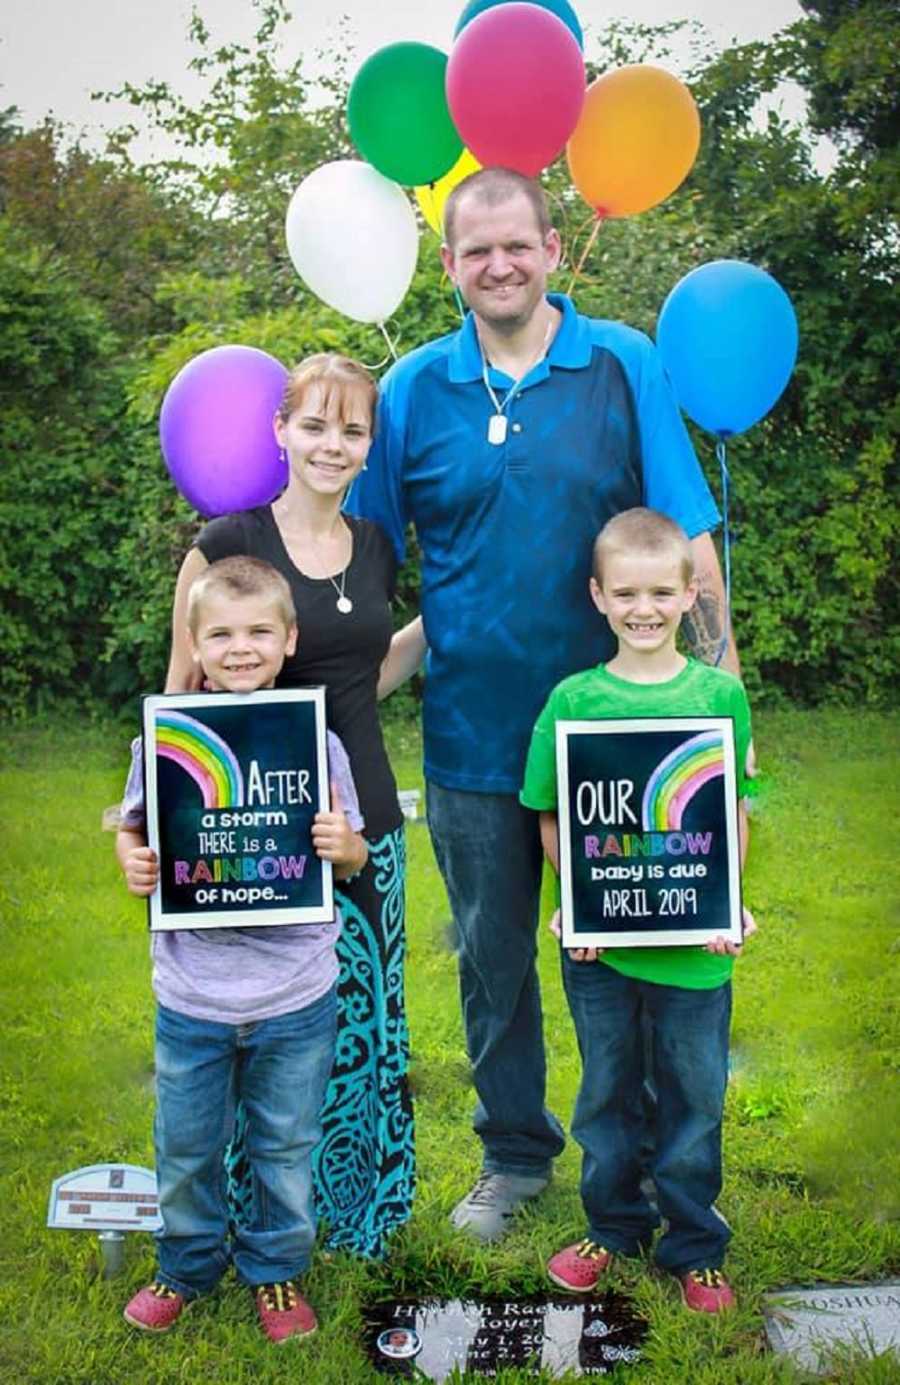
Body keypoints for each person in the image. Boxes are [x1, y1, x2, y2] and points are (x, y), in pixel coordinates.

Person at [348, 166, 742, 1241]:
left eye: (516, 244)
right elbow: (364, 562)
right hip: (474, 736)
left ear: (553, 247)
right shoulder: (413, 392)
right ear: (449, 267)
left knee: (630, 962)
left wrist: (724, 709)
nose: (499, 264)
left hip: (623, 742)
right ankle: (515, 1154)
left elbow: (686, 538)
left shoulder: (622, 362)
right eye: (476, 251)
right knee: (493, 961)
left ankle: (654, 1170)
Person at [166, 354, 421, 1258]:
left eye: (351, 429)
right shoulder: (223, 545)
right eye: (314, 424)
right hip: (259, 835)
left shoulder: (378, 543)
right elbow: (184, 703)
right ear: (280, 430)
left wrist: (443, 617)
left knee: (362, 1022)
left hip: (366, 827)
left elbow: (366, 676)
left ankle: (353, 1217)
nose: (331, 443)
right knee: (265, 1033)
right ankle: (250, 1220)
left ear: (367, 445)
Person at [117, 556, 369, 1340]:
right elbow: (133, 827)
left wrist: (344, 845)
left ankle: (279, 1270)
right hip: (192, 996)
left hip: (296, 994)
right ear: (193, 643)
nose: (240, 647)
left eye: (259, 630)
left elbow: (354, 852)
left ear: (289, 639)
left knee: (285, 1147)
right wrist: (132, 859)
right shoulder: (163, 741)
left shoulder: (316, 744)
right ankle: (186, 1263)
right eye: (220, 633)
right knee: (186, 1148)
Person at [520, 508, 754, 1313]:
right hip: (602, 954)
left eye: (661, 591)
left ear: (691, 594)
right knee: (606, 1094)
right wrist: (579, 904)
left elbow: (732, 811)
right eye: (626, 592)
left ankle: (694, 1242)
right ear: (598, 595)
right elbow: (549, 810)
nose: (643, 607)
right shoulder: (573, 699)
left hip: (695, 950)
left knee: (695, 1097)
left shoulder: (720, 695)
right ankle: (613, 1226)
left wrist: (730, 900)